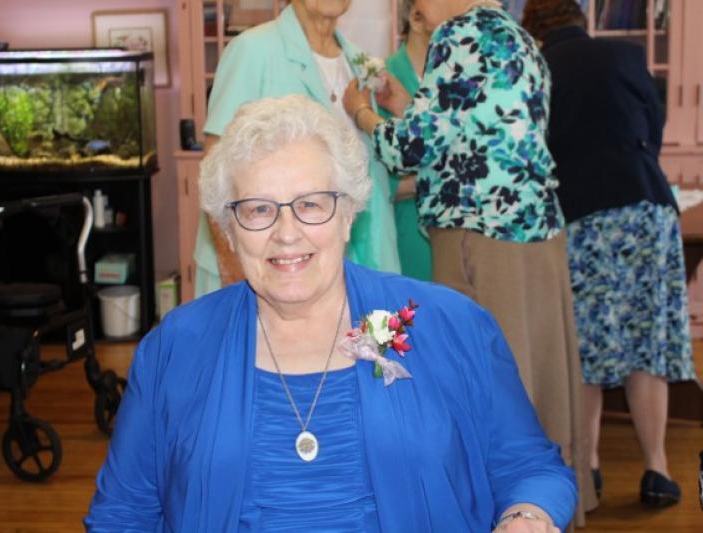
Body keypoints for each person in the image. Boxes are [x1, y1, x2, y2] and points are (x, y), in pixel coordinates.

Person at [85, 94, 577, 532]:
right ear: (228, 232)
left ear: (348, 214)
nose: (286, 233)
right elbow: (122, 514)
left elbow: (530, 466)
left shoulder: (448, 325)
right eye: (258, 210)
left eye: (311, 204)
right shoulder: (177, 347)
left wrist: (525, 516)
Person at [342, 0, 596, 523]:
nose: (417, 8)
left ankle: (500, 511)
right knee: (537, 375)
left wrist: (362, 112)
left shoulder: (458, 35)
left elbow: (410, 150)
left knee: (487, 379)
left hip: (481, 237)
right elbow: (471, 130)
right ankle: (541, 509)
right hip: (535, 236)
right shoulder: (517, 38)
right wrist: (403, 103)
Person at [521, 0, 697, 507]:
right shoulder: (626, 56)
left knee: (587, 349)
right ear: (581, 22)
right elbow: (653, 129)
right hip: (645, 207)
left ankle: (590, 467)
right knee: (647, 343)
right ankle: (657, 470)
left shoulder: (535, 71)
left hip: (580, 218)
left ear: (534, 33)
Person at [193, 0, 400, 298]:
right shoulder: (253, 50)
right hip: (263, 264)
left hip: (349, 266)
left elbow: (371, 180)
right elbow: (216, 169)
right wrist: (235, 272)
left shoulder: (358, 61)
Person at [380, 0, 433, 281]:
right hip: (405, 233)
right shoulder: (383, 82)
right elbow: (373, 176)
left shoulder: (456, 79)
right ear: (415, 16)